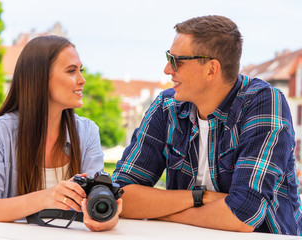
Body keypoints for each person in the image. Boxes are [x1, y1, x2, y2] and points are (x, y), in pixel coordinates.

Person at [112, 15, 302, 235]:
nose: (167, 69)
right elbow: (120, 194)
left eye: (176, 61)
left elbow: (241, 216)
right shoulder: (168, 106)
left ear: (211, 69)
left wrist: (159, 211)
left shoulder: (264, 102)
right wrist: (199, 197)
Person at [0, 35, 122, 232]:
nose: (82, 80)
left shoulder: (87, 132)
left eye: (80, 70)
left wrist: (108, 217)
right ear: (40, 77)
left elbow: (97, 206)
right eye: (71, 71)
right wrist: (47, 197)